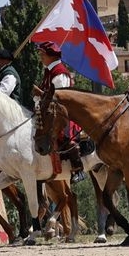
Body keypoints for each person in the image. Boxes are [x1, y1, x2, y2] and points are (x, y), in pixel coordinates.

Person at [37, 41, 86, 184]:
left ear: (51, 56)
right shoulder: (49, 71)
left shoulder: (59, 73)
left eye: (42, 54)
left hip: (63, 113)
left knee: (65, 136)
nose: (41, 57)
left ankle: (78, 168)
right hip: (49, 112)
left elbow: (60, 98)